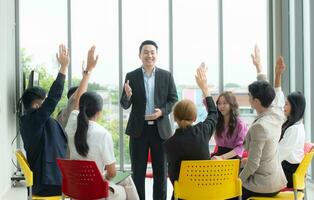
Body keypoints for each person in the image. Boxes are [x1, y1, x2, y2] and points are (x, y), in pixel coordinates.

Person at [120, 40, 178, 200]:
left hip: (161, 131)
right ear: (140, 55)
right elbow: (124, 104)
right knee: (137, 172)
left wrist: (162, 112)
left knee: (161, 173)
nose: (149, 55)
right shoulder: (131, 76)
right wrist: (128, 95)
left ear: (156, 55)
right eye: (145, 52)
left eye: (152, 52)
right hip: (139, 130)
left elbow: (173, 99)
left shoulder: (166, 76)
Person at [65, 91, 139, 200]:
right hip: (96, 193)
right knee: (125, 187)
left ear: (80, 108)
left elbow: (76, 106)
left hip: (75, 189)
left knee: (127, 179)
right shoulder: (103, 134)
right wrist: (104, 176)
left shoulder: (71, 124)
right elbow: (112, 173)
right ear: (99, 112)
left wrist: (86, 76)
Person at [19, 44, 69, 196]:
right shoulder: (34, 120)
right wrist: (64, 67)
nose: (47, 106)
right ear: (36, 105)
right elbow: (53, 98)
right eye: (44, 102)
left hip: (43, 181)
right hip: (48, 183)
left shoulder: (28, 120)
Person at [253, 47, 306, 188]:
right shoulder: (291, 122)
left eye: (287, 105)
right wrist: (277, 75)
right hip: (285, 167)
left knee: (250, 175)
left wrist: (256, 161)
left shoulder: (294, 129)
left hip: (287, 173)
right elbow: (277, 99)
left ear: (294, 107)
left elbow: (277, 155)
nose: (284, 107)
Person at [163, 63, 218, 199]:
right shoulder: (203, 131)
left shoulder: (168, 144)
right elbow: (213, 113)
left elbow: (173, 177)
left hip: (183, 196)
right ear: (194, 117)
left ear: (174, 118)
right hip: (206, 195)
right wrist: (205, 88)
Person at [239, 46, 287, 199]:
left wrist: (237, 181)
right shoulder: (277, 113)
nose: (249, 99)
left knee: (229, 191)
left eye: (250, 96)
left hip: (263, 185)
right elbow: (268, 89)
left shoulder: (259, 127)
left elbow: (253, 164)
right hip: (276, 180)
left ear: (256, 101)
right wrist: (258, 66)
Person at [57, 46, 98, 129]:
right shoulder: (71, 120)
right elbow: (77, 100)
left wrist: (85, 76)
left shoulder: (62, 117)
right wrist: (88, 70)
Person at [211, 91, 248, 160]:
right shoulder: (217, 121)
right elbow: (209, 108)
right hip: (219, 156)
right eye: (219, 103)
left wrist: (222, 157)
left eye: (225, 103)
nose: (221, 106)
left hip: (233, 159)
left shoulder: (240, 124)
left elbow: (241, 147)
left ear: (232, 105)